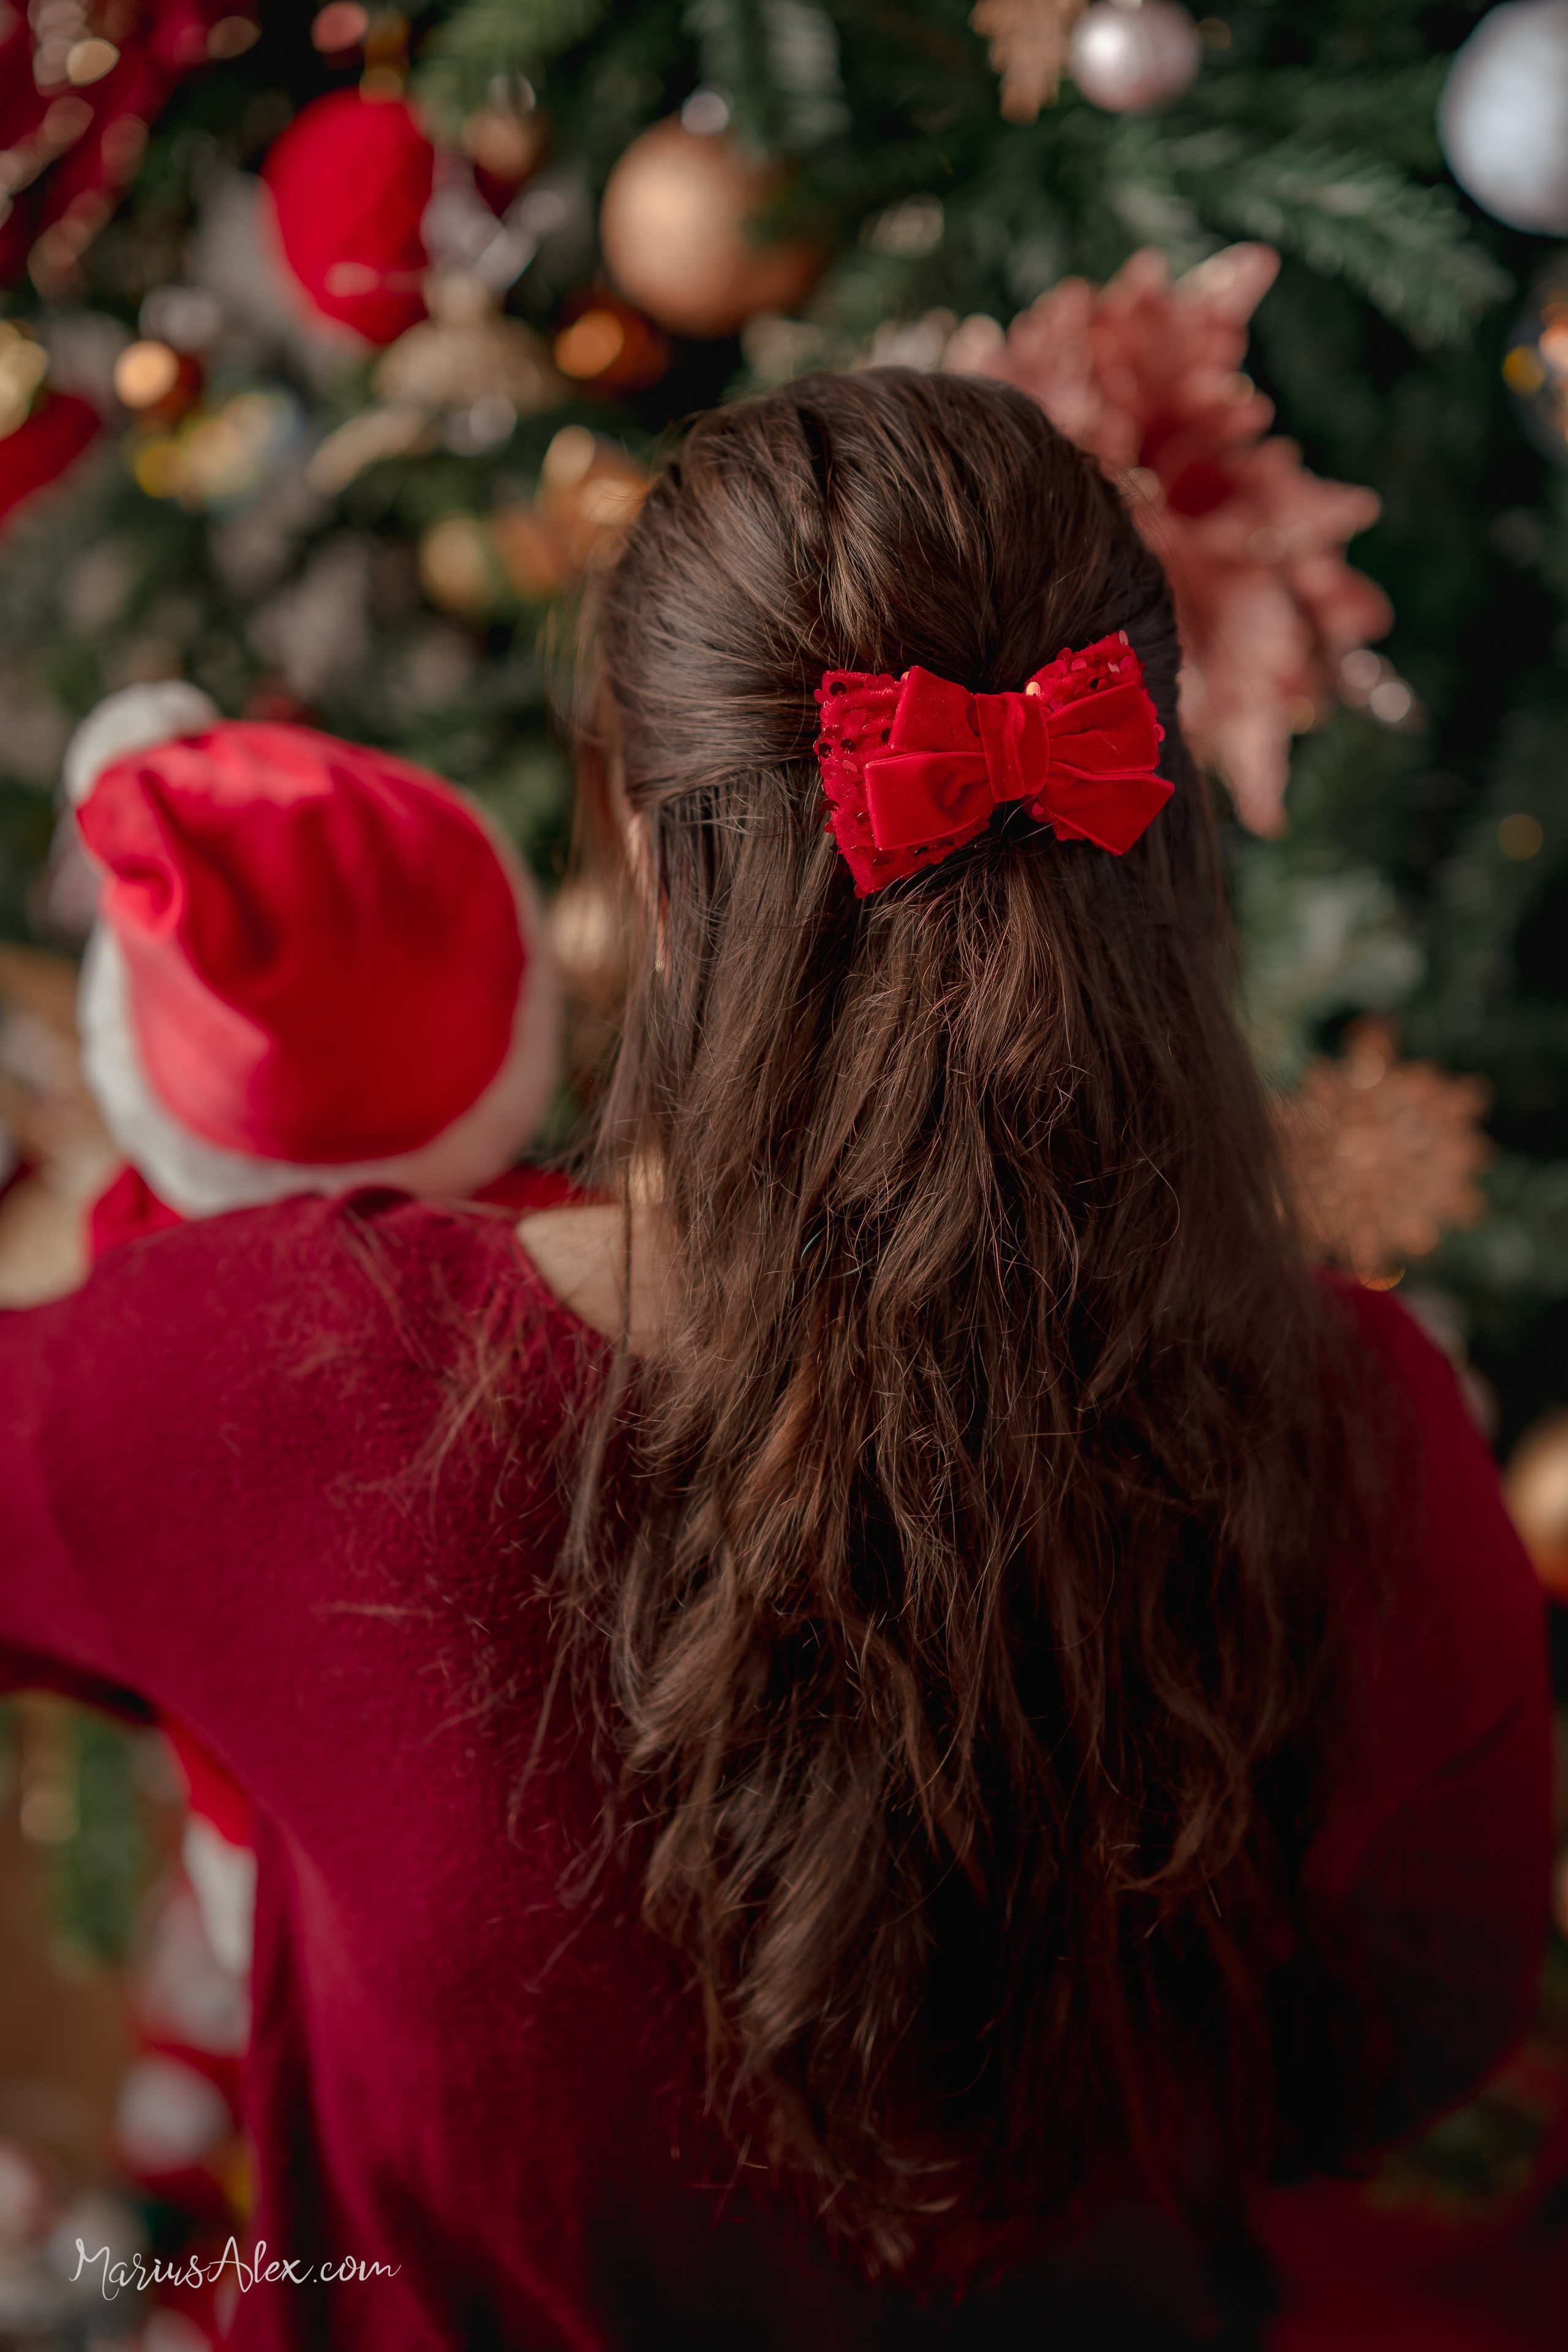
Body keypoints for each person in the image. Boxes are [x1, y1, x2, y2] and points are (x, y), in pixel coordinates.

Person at [0, 370, 1550, 2351]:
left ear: (661, 880)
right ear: (1154, 842)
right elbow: (1402, 2055)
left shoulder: (289, 1382)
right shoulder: (1380, 1434)